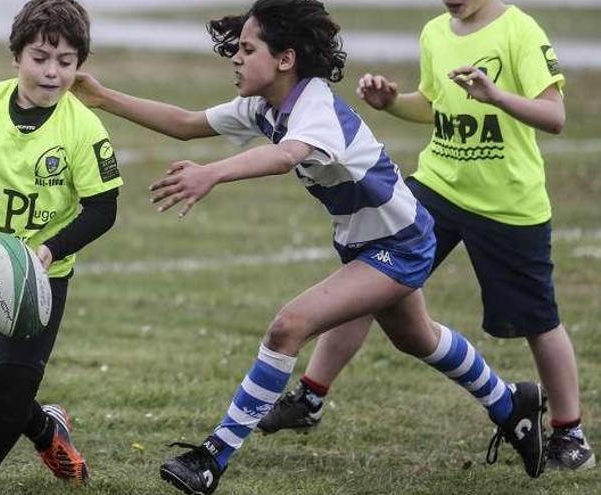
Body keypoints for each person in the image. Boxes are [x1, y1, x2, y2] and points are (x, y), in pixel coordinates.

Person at [72, 0, 551, 492]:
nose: (235, 58)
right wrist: (102, 96)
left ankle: (212, 457)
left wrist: (212, 173)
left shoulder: (315, 106)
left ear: (285, 59)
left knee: (288, 327)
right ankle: (511, 402)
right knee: (417, 338)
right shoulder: (265, 105)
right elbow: (185, 122)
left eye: (247, 48)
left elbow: (285, 156)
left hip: (399, 242)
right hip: (367, 241)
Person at [257, 0, 594, 472]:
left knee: (538, 319)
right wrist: (393, 102)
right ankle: (309, 397)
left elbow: (553, 116)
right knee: (367, 282)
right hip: (435, 188)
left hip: (509, 203)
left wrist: (495, 96)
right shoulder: (435, 31)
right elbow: (434, 105)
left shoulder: (520, 30)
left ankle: (569, 430)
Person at [0, 1, 123, 493]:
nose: (52, 72)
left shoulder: (82, 129)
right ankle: (45, 428)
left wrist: (49, 251)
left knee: (12, 385)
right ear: (16, 56)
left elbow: (103, 208)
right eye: (40, 57)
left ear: (79, 65)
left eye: (66, 61)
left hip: (40, 276)